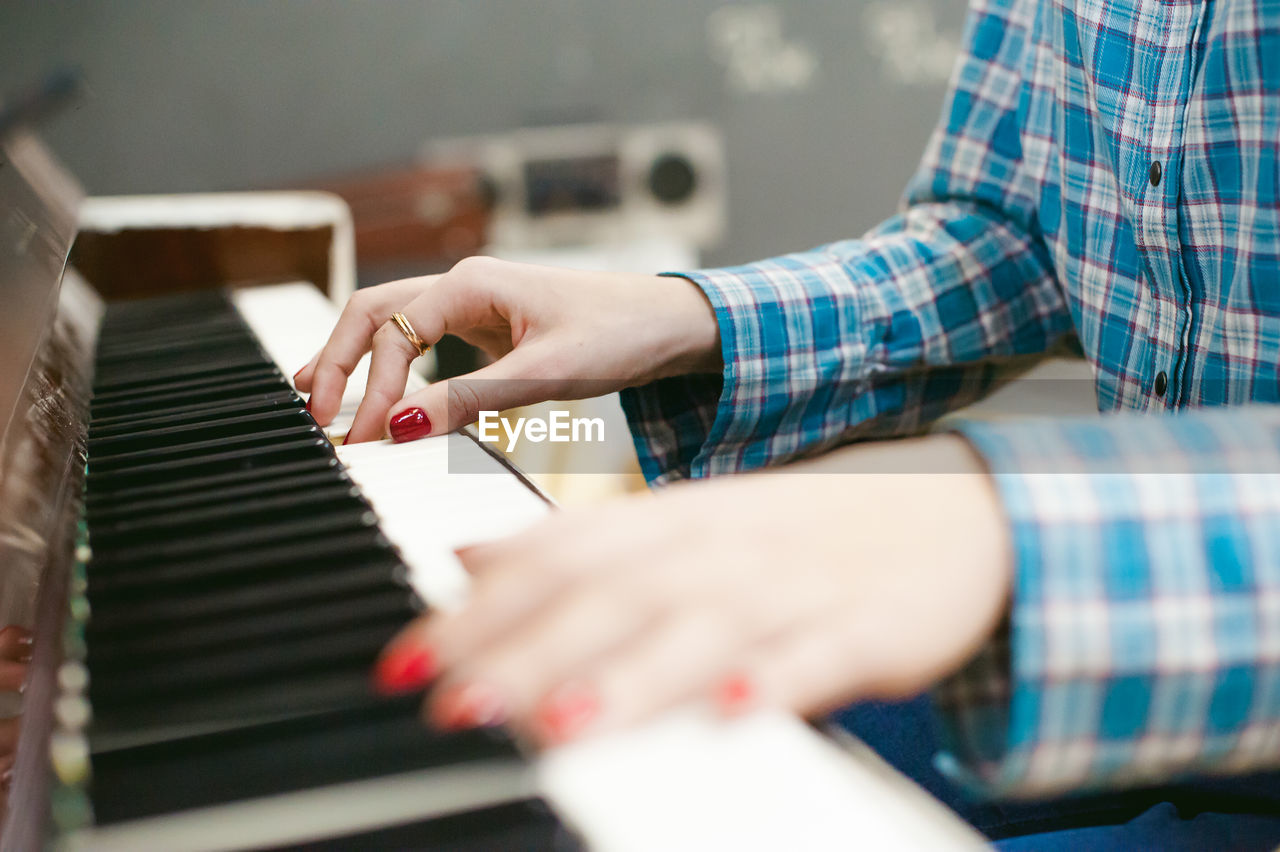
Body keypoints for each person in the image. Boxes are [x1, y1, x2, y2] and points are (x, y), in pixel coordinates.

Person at [295, 0, 1280, 846]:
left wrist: (993, 518)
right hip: (1098, 648)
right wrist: (681, 317)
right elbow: (1015, 233)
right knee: (588, 752)